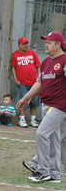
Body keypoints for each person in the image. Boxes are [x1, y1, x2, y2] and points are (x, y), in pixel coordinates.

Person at [17, 31, 66, 183]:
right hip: (47, 104)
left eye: (49, 42)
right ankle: (54, 174)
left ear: (58, 44)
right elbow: (40, 83)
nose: (46, 45)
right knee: (54, 139)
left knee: (42, 133)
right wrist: (26, 97)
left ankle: (43, 170)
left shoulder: (64, 60)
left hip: (58, 105)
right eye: (46, 42)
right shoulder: (46, 62)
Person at [11, 37, 41, 127]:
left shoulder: (32, 53)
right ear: (19, 45)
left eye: (26, 43)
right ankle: (22, 119)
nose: (25, 45)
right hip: (22, 83)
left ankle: (33, 119)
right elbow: (13, 67)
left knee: (34, 101)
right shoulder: (15, 55)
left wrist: (39, 78)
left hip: (34, 82)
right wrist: (16, 80)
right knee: (23, 100)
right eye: (23, 44)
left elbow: (38, 66)